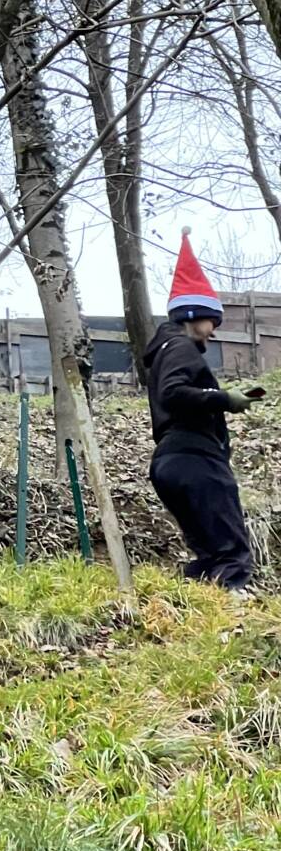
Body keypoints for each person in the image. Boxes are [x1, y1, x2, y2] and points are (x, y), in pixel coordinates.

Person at [143, 232, 256, 591]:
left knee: (209, 554)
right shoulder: (181, 346)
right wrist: (225, 399)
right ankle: (236, 614)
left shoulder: (163, 351)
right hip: (196, 459)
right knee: (231, 551)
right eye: (212, 322)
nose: (213, 332)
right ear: (192, 315)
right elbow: (174, 393)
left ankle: (191, 607)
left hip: (169, 464)